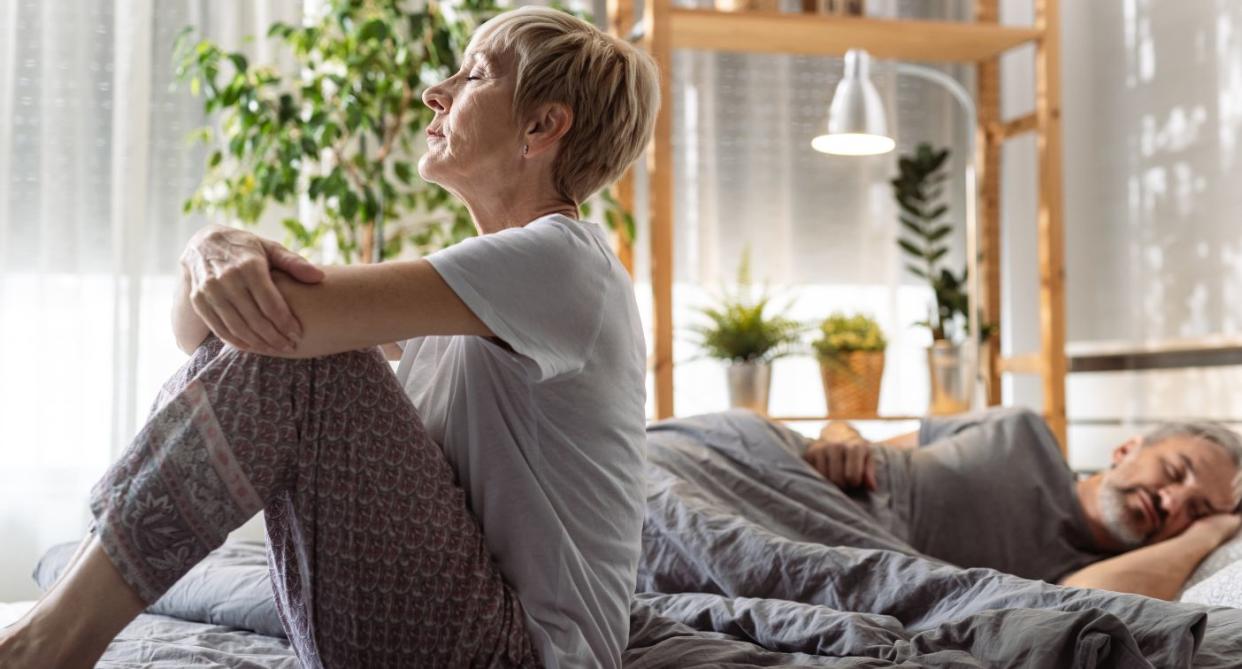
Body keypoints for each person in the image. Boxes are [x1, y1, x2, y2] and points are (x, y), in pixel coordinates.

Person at [0, 7, 659, 668]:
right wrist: (208, 251)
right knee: (301, 350)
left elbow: (283, 334)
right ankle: (56, 631)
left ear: (542, 125)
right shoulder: (487, 291)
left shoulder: (565, 263)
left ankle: (53, 639)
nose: (437, 90)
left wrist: (222, 245)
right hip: (459, 624)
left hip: (523, 653)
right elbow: (205, 331)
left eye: (475, 75)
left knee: (309, 362)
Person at [802, 407, 1242, 600]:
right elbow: (857, 438)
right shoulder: (1019, 429)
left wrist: (1211, 531)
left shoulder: (1094, 572)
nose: (1172, 501)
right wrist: (841, 437)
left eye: (1197, 508)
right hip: (801, 481)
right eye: (1174, 471)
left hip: (828, 559)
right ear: (1126, 449)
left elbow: (1086, 601)